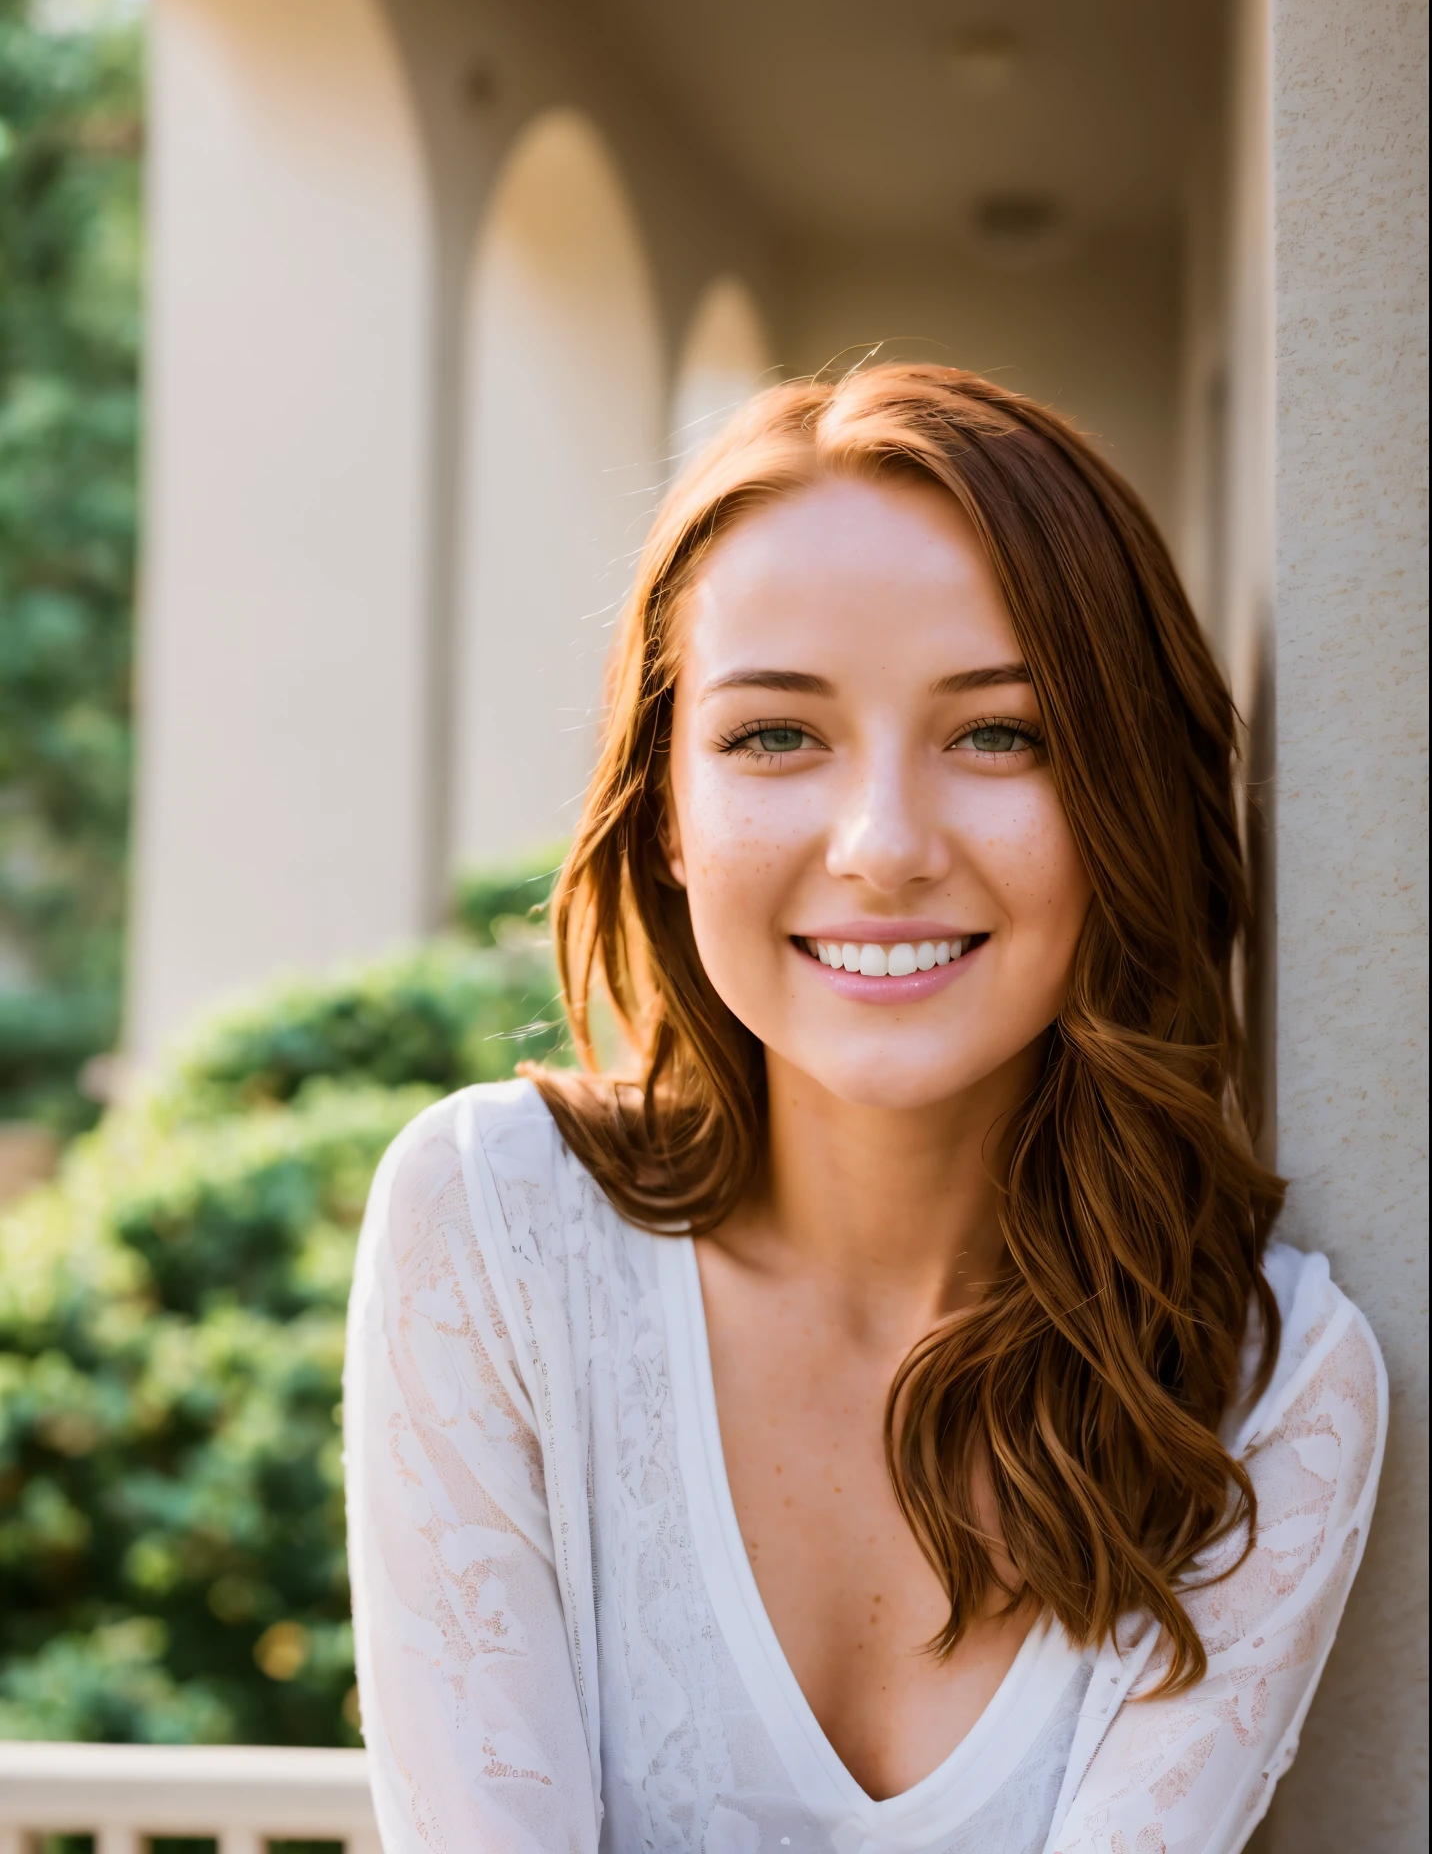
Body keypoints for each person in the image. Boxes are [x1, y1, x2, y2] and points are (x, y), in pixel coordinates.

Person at [344, 364, 1385, 1854]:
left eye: (999, 735)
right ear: (669, 822)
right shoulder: (494, 1231)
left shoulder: (1268, 1389)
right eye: (777, 736)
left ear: (1127, 805)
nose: (884, 846)